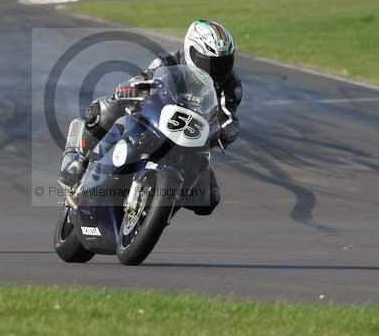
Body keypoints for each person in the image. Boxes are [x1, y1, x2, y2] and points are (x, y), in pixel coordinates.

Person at [59, 19, 242, 216]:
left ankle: (160, 209)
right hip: (153, 121)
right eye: (210, 62)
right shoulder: (169, 61)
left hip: (190, 141)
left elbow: (227, 116)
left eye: (223, 63)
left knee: (209, 197)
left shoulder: (231, 85)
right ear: (191, 51)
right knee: (107, 107)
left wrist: (226, 131)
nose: (217, 69)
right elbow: (145, 78)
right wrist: (132, 88)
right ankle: (78, 162)